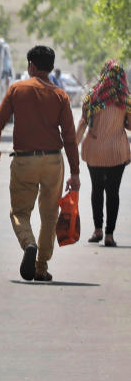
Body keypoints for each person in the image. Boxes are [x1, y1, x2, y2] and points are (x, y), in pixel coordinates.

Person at [0, 45, 80, 282]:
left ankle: (29, 244)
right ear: (50, 67)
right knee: (50, 214)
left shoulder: (17, 89)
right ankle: (41, 267)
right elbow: (70, 137)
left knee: (20, 211)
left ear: (31, 65)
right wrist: (75, 172)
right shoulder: (60, 95)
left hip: (25, 160)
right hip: (53, 161)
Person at [76, 59, 131, 247]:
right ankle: (109, 235)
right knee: (113, 192)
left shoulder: (92, 97)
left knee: (97, 189)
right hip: (117, 152)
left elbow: (83, 124)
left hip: (95, 151)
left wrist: (71, 147)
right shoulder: (125, 99)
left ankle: (97, 230)